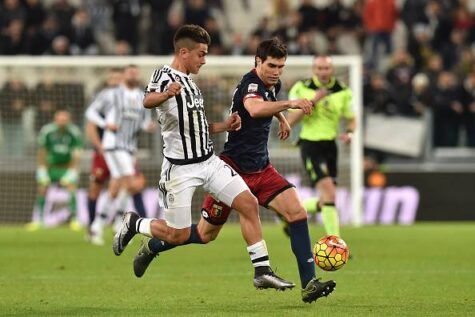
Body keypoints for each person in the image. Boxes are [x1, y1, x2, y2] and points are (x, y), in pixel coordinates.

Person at [131, 37, 336, 303]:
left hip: (261, 168)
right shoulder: (249, 83)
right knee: (205, 234)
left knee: (297, 212)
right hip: (233, 168)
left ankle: (309, 284)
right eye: (272, 65)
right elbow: (254, 106)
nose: (276, 72)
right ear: (258, 62)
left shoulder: (272, 83)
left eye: (281, 67)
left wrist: (282, 118)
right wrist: (290, 104)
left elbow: (268, 102)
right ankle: (152, 245)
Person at [113, 25, 294, 290]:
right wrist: (165, 94)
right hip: (180, 169)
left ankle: (262, 271)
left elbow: (196, 125)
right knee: (179, 234)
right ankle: (135, 223)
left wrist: (224, 126)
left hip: (209, 163)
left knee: (248, 203)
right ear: (184, 52)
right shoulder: (165, 74)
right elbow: (147, 100)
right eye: (201, 54)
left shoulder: (191, 84)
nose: (204, 59)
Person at [286, 55, 355, 239]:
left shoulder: (343, 91)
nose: (323, 72)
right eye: (319, 68)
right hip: (310, 144)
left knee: (327, 198)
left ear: (332, 70)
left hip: (331, 146)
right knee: (330, 194)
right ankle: (335, 242)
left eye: (326, 68)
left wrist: (349, 133)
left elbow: (352, 117)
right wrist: (314, 100)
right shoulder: (302, 88)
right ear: (314, 70)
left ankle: (289, 212)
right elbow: (290, 120)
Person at [86, 65, 153, 245]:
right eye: (130, 72)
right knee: (131, 182)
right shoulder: (111, 94)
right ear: (124, 75)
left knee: (119, 185)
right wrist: (105, 123)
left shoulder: (142, 97)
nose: (133, 75)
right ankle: (117, 226)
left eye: (136, 72)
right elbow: (90, 112)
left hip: (130, 147)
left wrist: (149, 126)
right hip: (114, 144)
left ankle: (99, 226)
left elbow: (144, 122)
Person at [26, 109, 82, 231]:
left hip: (66, 168)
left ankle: (74, 219)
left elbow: (77, 154)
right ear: (55, 120)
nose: (62, 122)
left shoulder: (74, 132)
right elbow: (42, 152)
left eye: (65, 120)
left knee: (72, 188)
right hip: (50, 168)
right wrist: (42, 169)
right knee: (42, 188)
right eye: (60, 119)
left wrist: (72, 171)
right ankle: (38, 220)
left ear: (68, 121)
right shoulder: (47, 131)